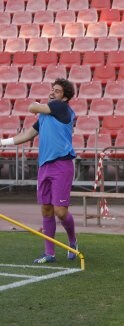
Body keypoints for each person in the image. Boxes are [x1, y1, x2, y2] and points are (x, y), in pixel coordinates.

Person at [0, 79, 78, 264]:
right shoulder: (46, 115)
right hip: (45, 165)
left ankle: (73, 241)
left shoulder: (61, 108)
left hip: (62, 165)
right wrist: (3, 143)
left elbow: (32, 107)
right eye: (52, 90)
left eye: (57, 91)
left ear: (65, 97)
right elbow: (27, 135)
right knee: (46, 209)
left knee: (60, 211)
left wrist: (35, 105)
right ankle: (49, 253)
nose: (52, 93)